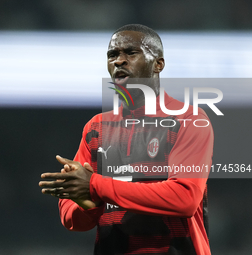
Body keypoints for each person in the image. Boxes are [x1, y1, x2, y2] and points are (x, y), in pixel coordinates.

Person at [39, 24, 213, 255]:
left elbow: (185, 198)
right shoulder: (96, 127)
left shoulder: (189, 119)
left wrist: (95, 186)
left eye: (131, 53)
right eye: (112, 55)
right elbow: (73, 220)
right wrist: (88, 205)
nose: (119, 61)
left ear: (158, 64)